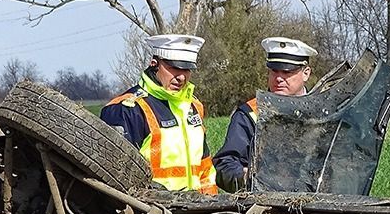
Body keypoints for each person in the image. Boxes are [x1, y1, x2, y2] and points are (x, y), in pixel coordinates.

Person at [100, 34, 217, 194]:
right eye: (174, 68)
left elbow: (205, 167)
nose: (181, 77)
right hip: (151, 212)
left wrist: (212, 204)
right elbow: (114, 175)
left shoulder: (193, 105)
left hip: (197, 210)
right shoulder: (127, 108)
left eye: (187, 69)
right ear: (154, 64)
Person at [214, 37, 317, 192]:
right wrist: (245, 177)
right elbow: (225, 164)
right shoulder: (250, 113)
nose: (279, 79)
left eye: (287, 72)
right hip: (263, 208)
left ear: (306, 73)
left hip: (317, 208)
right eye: (274, 71)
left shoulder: (322, 113)